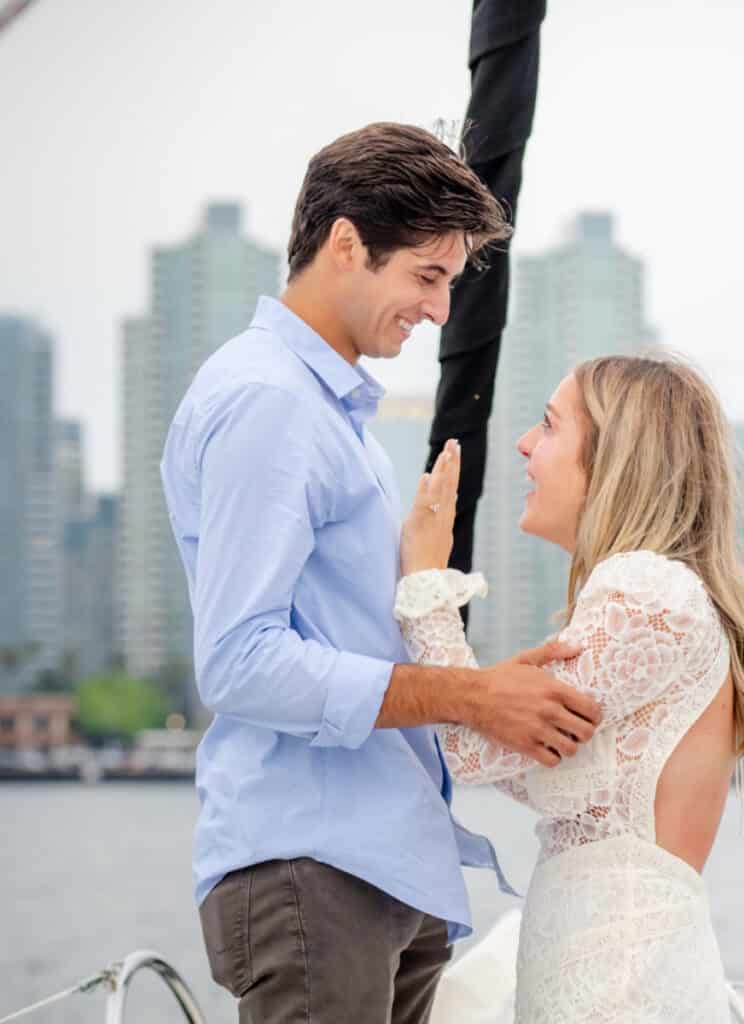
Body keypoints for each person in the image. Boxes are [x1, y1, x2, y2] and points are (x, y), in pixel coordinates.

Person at [160, 122, 602, 1024]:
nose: (440, 312)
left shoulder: (329, 416)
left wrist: (428, 599)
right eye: (428, 277)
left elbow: (331, 632)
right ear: (347, 243)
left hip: (376, 863)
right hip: (314, 871)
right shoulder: (271, 404)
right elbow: (239, 661)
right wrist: (469, 696)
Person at [397, 355, 744, 1023]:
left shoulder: (646, 590)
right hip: (603, 973)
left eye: (548, 426)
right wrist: (499, 699)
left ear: (615, 458)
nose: (523, 443)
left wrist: (427, 587)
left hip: (620, 985)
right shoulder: (648, 591)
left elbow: (468, 755)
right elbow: (525, 766)